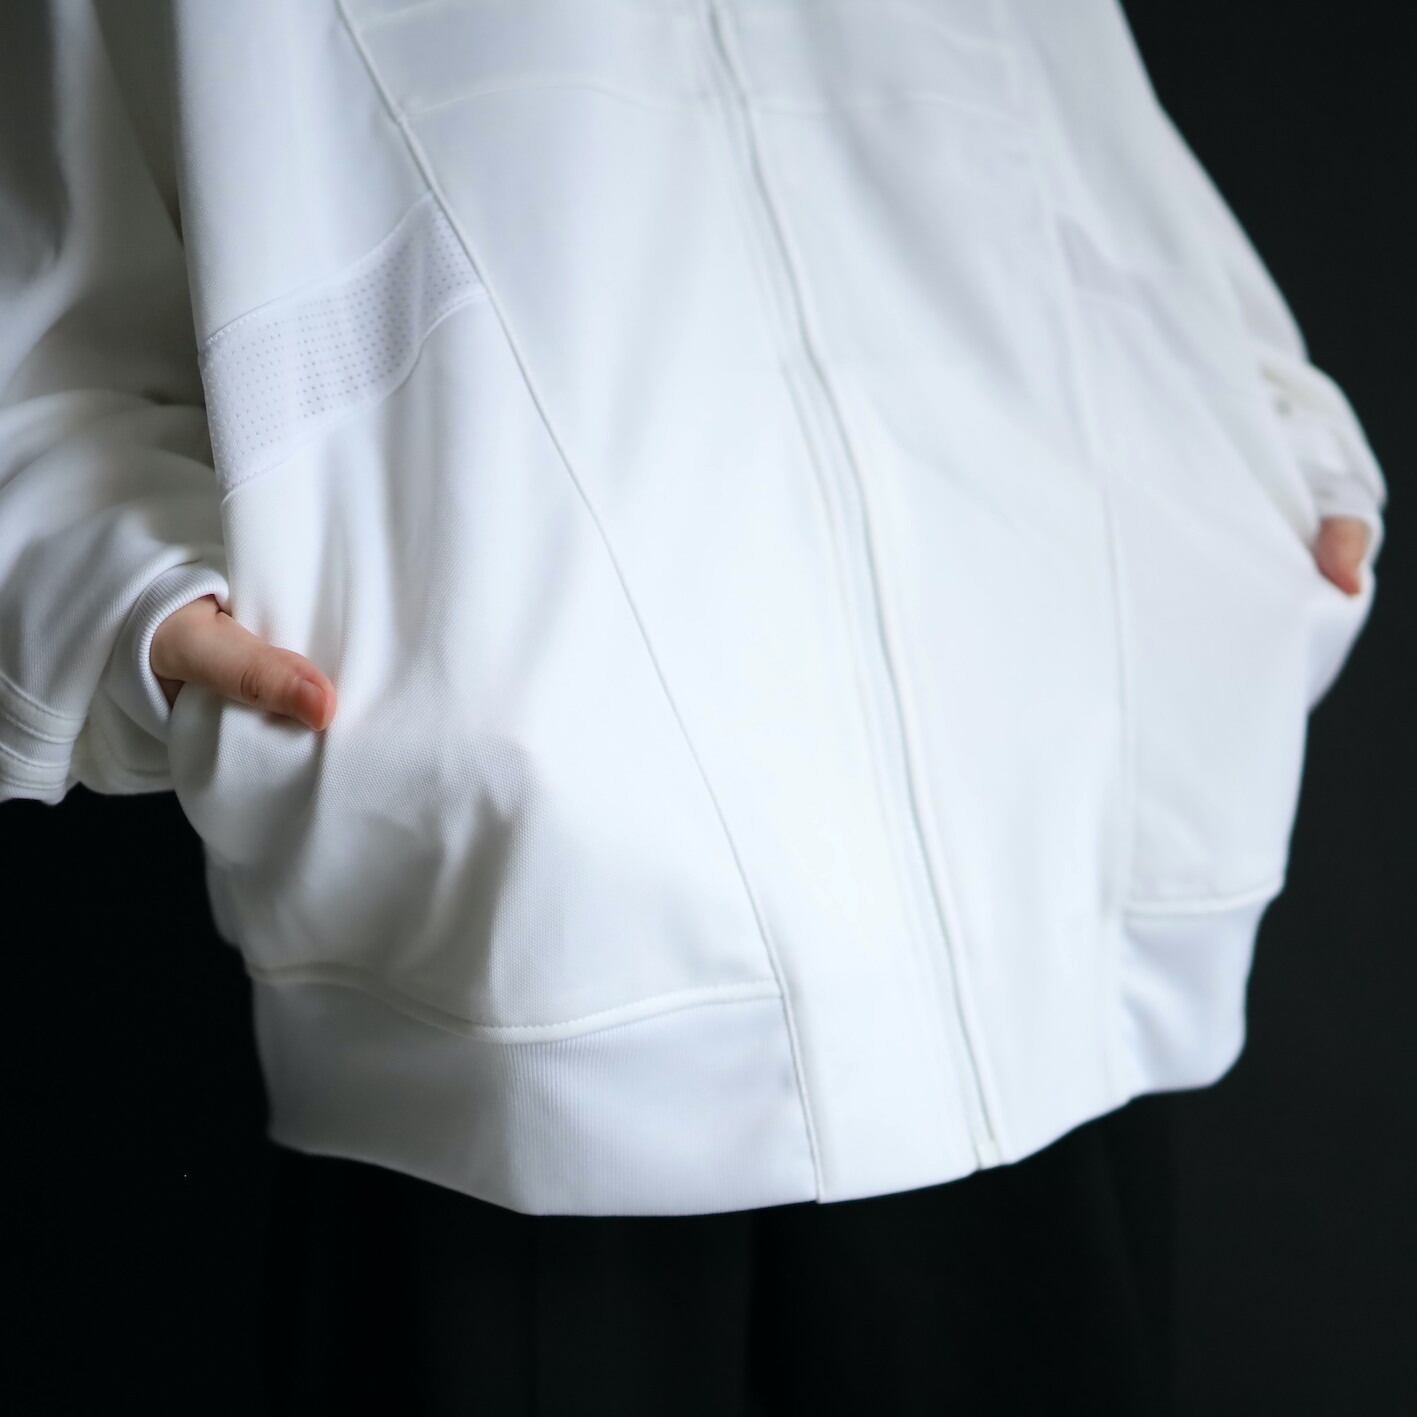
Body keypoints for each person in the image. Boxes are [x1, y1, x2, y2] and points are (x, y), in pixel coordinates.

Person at [1, 2, 1386, 1412]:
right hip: (520, 975)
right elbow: (46, 273)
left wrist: (1262, 441)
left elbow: (1078, 132)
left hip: (1043, 876)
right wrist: (116, 595)